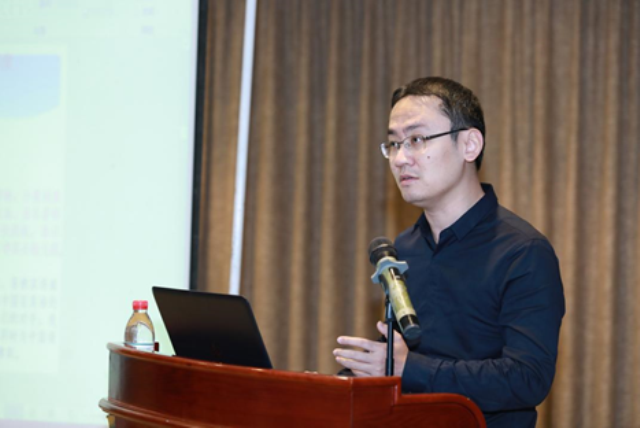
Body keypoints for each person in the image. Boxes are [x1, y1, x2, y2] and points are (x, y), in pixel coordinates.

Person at [333, 77, 565, 428]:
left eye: (416, 140)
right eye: (393, 144)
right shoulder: (405, 247)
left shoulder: (523, 253)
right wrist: (339, 383)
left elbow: (527, 378)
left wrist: (410, 368)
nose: (400, 158)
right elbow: (397, 357)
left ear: (469, 145)